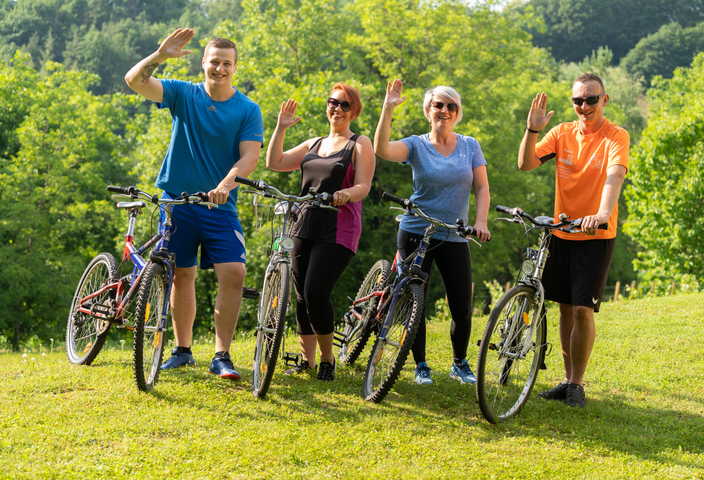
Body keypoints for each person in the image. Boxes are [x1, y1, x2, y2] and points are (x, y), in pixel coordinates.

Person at [124, 28, 263, 380]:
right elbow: (134, 81)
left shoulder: (248, 109)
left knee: (234, 273)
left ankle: (222, 356)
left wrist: (225, 184)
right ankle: (182, 351)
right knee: (180, 274)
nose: (220, 69)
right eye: (214, 62)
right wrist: (159, 56)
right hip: (178, 202)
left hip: (220, 205)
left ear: (236, 68)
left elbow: (250, 156)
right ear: (203, 63)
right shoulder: (183, 93)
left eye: (227, 64)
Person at [518, 73, 629, 408]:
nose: (584, 106)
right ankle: (566, 380)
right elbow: (525, 164)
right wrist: (532, 129)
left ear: (604, 100)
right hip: (561, 231)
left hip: (594, 233)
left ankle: (577, 384)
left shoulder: (615, 136)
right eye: (578, 100)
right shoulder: (562, 132)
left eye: (591, 100)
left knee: (583, 309)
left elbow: (615, 175)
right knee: (565, 306)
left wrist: (603, 212)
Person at [374, 79, 491, 386]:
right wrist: (388, 108)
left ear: (458, 112)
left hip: (455, 234)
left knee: (461, 305)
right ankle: (421, 365)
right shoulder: (416, 144)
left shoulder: (470, 145)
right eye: (438, 105)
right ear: (428, 110)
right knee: (416, 301)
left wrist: (481, 222)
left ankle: (459, 363)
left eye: (451, 106)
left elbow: (481, 187)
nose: (444, 110)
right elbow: (382, 149)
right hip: (416, 231)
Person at [266, 83, 375, 381]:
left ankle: (328, 359)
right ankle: (307, 360)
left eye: (344, 105)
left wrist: (346, 194)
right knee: (301, 295)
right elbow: (273, 162)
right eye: (333, 102)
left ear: (354, 111)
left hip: (339, 225)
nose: (337, 109)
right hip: (305, 223)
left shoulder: (359, 143)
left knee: (315, 291)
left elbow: (364, 185)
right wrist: (281, 127)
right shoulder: (313, 143)